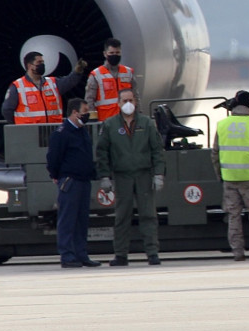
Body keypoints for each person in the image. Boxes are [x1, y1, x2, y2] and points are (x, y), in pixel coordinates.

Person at [95, 88, 165, 266]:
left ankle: (152, 253)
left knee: (148, 215)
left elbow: (157, 150)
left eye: (131, 100)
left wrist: (158, 173)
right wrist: (104, 176)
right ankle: (120, 254)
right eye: (124, 101)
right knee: (122, 217)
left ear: (136, 102)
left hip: (143, 175)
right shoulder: (110, 125)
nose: (128, 104)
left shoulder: (147, 123)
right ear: (118, 103)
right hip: (122, 176)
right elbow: (102, 152)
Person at [211, 90, 249, 261]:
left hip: (229, 178)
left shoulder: (222, 124)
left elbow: (215, 153)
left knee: (233, 216)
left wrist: (220, 174)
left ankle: (238, 252)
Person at [45, 97, 99, 268]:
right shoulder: (62, 133)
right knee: (68, 220)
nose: (87, 114)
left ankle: (81, 254)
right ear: (75, 112)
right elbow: (53, 158)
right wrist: (55, 175)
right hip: (70, 181)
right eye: (85, 111)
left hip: (84, 181)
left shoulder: (82, 131)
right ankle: (67, 256)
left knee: (82, 220)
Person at [1, 51, 87, 124]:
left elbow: (70, 81)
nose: (42, 65)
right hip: (29, 133)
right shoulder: (17, 86)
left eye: (43, 62)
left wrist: (77, 71)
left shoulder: (53, 82)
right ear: (29, 66)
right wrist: (18, 124)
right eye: (39, 62)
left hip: (52, 130)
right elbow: (7, 110)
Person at [85, 37, 135, 122]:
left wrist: (138, 114)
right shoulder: (96, 75)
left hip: (127, 120)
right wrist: (93, 120)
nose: (114, 55)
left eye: (117, 52)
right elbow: (89, 99)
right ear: (105, 54)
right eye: (111, 53)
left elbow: (136, 96)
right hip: (105, 122)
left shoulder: (128, 72)